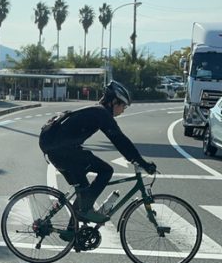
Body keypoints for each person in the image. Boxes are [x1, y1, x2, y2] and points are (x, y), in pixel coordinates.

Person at [39, 80, 156, 235]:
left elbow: (120, 141)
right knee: (105, 170)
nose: (123, 110)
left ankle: (72, 232)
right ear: (114, 101)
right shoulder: (101, 113)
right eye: (123, 106)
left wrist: (136, 159)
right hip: (61, 152)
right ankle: (85, 211)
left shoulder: (96, 111)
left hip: (57, 150)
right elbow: (120, 140)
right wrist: (142, 163)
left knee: (84, 191)